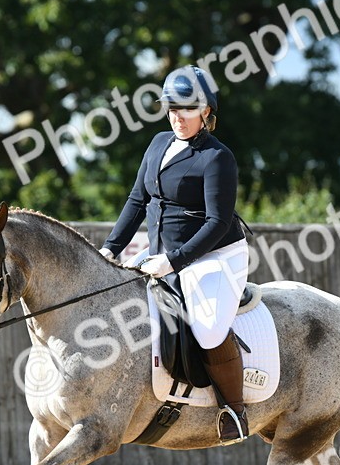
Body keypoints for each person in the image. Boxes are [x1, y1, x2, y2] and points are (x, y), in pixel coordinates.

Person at [100, 65, 251, 444]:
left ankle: (235, 409)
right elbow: (137, 200)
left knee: (209, 328)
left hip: (215, 254)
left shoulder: (217, 157)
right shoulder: (158, 143)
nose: (178, 117)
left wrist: (173, 261)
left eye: (187, 109)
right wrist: (109, 249)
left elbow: (217, 222)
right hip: (161, 253)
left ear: (206, 111)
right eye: (172, 109)